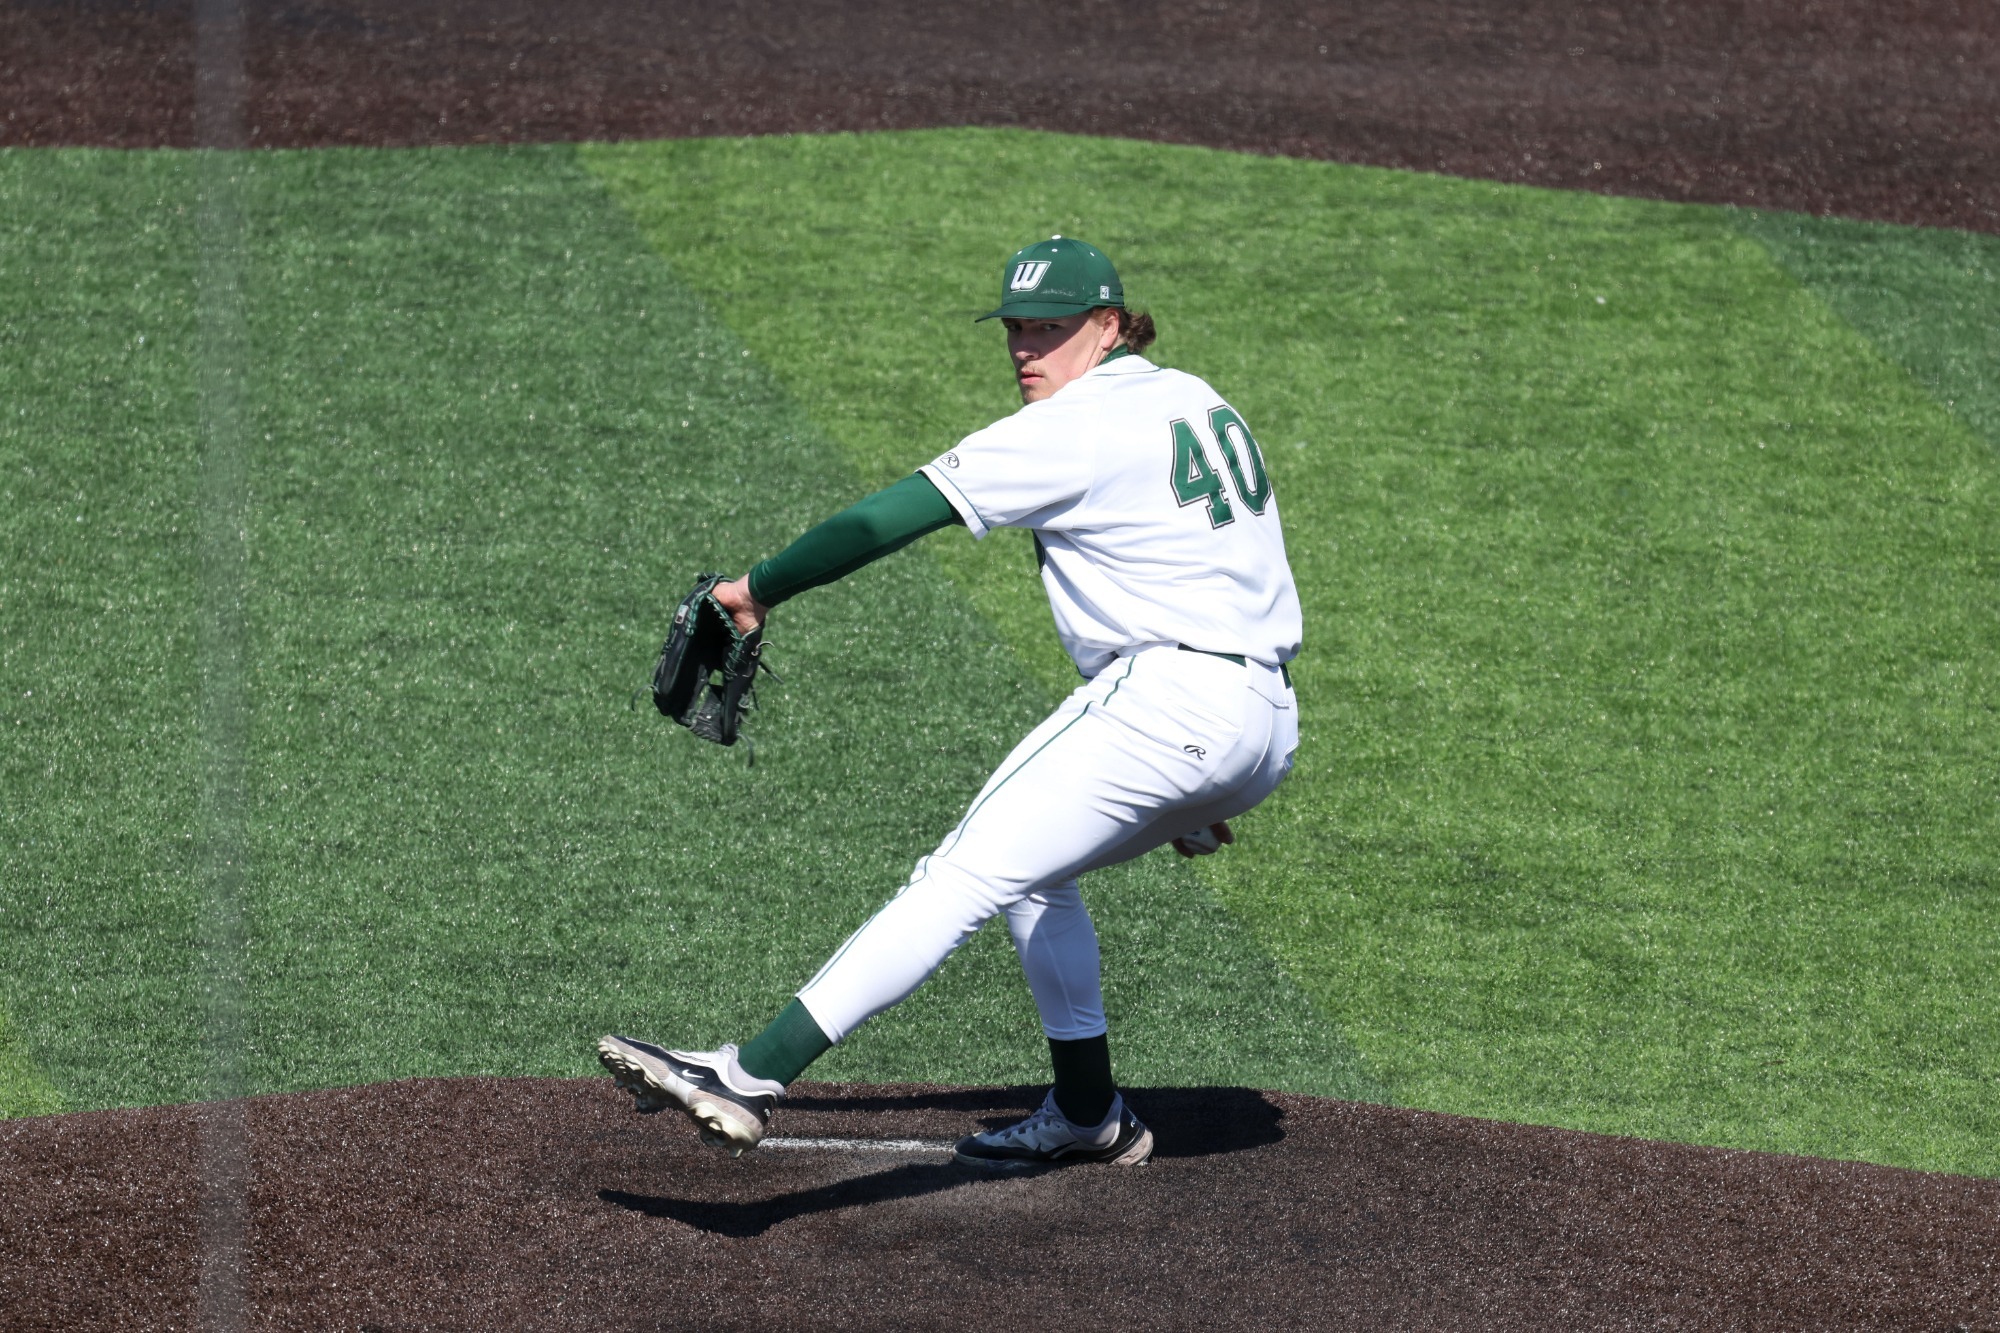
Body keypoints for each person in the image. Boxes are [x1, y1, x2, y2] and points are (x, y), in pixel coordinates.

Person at [599, 236, 1302, 1169]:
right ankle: (1088, 1112)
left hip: (1171, 704)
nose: (1025, 349)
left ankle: (747, 1074)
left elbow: (883, 518)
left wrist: (753, 589)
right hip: (1262, 720)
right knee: (1033, 877)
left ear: (1108, 325)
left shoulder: (1069, 427)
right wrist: (1207, 769)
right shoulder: (1193, 398)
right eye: (1014, 328)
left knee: (960, 875)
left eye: (1050, 328)